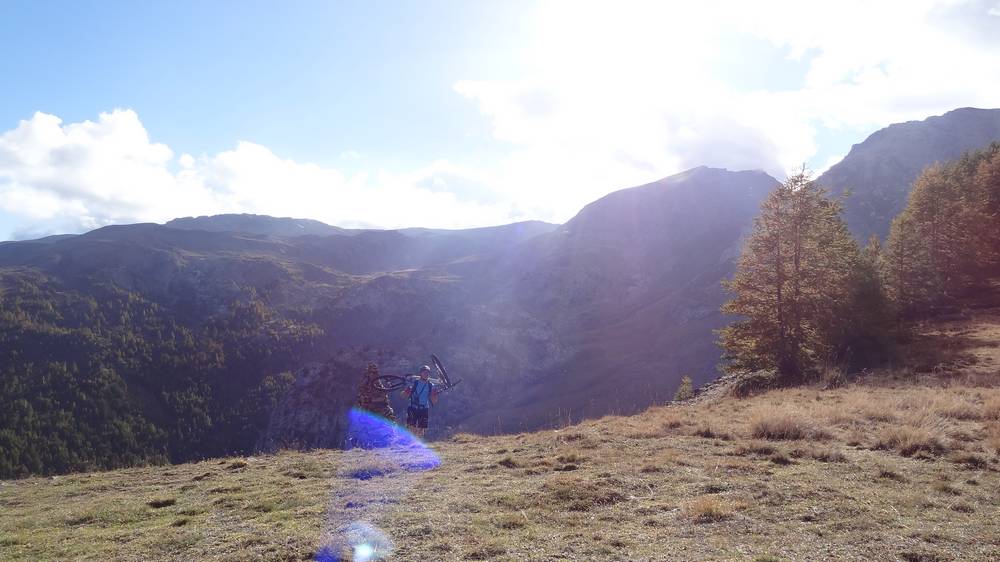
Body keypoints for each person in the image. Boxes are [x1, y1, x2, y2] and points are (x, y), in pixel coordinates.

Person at [401, 365, 439, 439]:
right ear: (420, 373)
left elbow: (434, 402)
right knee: (412, 427)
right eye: (424, 372)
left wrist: (434, 395)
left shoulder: (431, 385)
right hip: (413, 407)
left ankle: (418, 444)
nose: (426, 374)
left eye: (428, 373)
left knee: (422, 428)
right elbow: (402, 396)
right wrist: (407, 391)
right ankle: (411, 443)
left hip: (424, 408)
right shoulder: (414, 383)